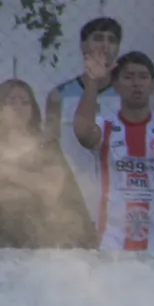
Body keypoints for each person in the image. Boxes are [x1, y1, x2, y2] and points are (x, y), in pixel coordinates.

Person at [74, 51, 154, 251]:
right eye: (128, 77)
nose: (136, 83)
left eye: (143, 77)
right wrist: (92, 82)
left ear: (153, 85)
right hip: (112, 244)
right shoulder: (106, 127)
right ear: (116, 85)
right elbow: (84, 133)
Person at [44, 17, 123, 229]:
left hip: (118, 189)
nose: (105, 45)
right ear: (83, 45)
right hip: (73, 185)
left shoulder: (127, 95)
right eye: (98, 38)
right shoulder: (60, 94)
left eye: (112, 40)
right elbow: (51, 143)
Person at [0, 79, 91, 248]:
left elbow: (50, 188)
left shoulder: (45, 145)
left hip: (42, 236)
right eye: (10, 101)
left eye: (25, 102)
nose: (17, 107)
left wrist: (8, 172)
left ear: (33, 110)